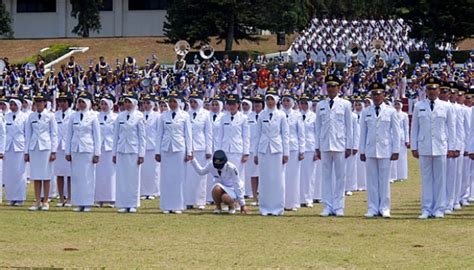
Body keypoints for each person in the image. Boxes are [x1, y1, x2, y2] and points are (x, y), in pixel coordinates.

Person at [411, 77, 456, 219]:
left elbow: (451, 128)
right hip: (424, 146)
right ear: (426, 90)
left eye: (434, 88)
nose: (432, 91)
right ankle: (426, 208)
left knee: (440, 179)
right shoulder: (419, 105)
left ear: (439, 90)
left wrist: (452, 147)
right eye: (429, 88)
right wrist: (414, 146)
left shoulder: (446, 106)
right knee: (426, 179)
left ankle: (439, 208)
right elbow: (414, 128)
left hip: (441, 146)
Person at [359, 82, 400, 218]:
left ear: (384, 94)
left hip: (385, 149)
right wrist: (362, 151)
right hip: (370, 149)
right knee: (371, 181)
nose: (376, 96)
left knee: (384, 180)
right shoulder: (366, 112)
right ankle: (372, 207)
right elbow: (363, 133)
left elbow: (396, 132)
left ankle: (384, 207)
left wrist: (396, 150)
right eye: (374, 94)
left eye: (378, 93)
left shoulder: (391, 111)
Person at [314, 75, 353, 217]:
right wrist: (317, 146)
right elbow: (317, 127)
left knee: (340, 176)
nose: (330, 89)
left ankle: (339, 206)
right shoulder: (320, 105)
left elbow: (349, 127)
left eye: (333, 86)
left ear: (339, 88)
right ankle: (327, 206)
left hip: (340, 143)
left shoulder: (345, 104)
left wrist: (349, 145)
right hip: (325, 144)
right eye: (328, 86)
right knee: (326, 176)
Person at [253, 89, 289, 216]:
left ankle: (278, 208)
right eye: (267, 99)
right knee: (265, 179)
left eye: (271, 99)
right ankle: (265, 207)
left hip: (277, 149)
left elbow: (285, 135)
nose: (269, 102)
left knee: (277, 179)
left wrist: (286, 153)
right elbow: (257, 135)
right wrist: (255, 153)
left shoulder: (281, 115)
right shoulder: (261, 115)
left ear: (276, 100)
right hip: (263, 149)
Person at [155, 90, 192, 214]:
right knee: (166, 178)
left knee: (179, 178)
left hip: (179, 149)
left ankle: (178, 205)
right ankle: (166, 205)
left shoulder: (185, 116)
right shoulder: (163, 116)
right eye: (170, 101)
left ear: (179, 102)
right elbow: (159, 134)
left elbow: (188, 135)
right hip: (166, 149)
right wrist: (157, 151)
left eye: (174, 101)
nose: (171, 104)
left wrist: (189, 151)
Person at [65, 91, 101, 212]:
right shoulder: (73, 116)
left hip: (87, 149)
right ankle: (78, 202)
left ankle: (87, 202)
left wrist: (97, 153)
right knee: (76, 177)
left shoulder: (93, 116)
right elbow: (69, 134)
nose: (81, 104)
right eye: (79, 101)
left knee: (87, 176)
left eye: (83, 102)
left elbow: (97, 136)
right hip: (76, 149)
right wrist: (67, 152)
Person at [112, 92, 146, 213]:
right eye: (125, 102)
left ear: (134, 103)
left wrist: (141, 154)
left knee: (133, 178)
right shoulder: (120, 116)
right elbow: (115, 136)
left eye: (129, 102)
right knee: (122, 178)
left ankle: (132, 204)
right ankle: (122, 203)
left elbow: (142, 137)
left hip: (133, 150)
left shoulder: (139, 116)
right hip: (121, 150)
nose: (127, 104)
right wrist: (114, 153)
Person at [215, 93, 250, 210]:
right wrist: (218, 151)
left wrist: (246, 152)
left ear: (238, 105)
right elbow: (220, 136)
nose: (231, 106)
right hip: (225, 150)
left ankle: (240, 202)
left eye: (233, 104)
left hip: (237, 150)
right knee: (226, 176)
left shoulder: (244, 118)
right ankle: (228, 201)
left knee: (238, 177)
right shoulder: (223, 117)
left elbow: (246, 136)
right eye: (229, 104)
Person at [25, 92, 58, 211]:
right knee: (36, 175)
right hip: (34, 148)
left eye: (41, 102)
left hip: (46, 147)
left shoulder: (50, 116)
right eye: (37, 102)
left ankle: (45, 201)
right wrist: (26, 151)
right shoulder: (31, 116)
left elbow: (54, 134)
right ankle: (37, 200)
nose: (38, 104)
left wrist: (53, 151)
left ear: (45, 103)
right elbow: (28, 134)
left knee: (46, 175)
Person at [190, 150, 250, 214]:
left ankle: (232, 206)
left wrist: (243, 205)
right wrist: (193, 160)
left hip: (232, 189)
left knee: (225, 197)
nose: (218, 168)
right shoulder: (211, 164)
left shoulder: (232, 168)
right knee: (216, 188)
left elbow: (237, 185)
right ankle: (218, 207)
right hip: (220, 188)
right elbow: (201, 172)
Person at [185, 90, 212, 209]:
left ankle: (200, 201)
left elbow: (208, 133)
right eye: (191, 102)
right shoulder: (186, 114)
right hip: (188, 148)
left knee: (201, 176)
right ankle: (189, 200)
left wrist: (208, 150)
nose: (192, 104)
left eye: (195, 102)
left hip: (201, 147)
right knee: (188, 176)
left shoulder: (206, 114)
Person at [281, 91, 305, 211]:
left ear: (292, 103)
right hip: (280, 149)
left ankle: (294, 202)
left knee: (293, 176)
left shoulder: (297, 115)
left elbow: (301, 134)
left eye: (288, 101)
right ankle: (282, 201)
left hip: (293, 148)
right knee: (281, 176)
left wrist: (302, 150)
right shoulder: (278, 114)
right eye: (284, 100)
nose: (286, 103)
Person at [3, 96, 27, 206]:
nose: (12, 107)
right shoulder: (6, 116)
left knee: (19, 173)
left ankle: (19, 198)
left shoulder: (24, 117)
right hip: (8, 147)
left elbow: (27, 134)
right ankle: (10, 197)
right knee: (9, 173)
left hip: (20, 146)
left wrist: (27, 151)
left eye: (14, 105)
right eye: (11, 105)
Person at [95, 93, 117, 207]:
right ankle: (100, 198)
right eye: (102, 104)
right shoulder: (96, 117)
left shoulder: (115, 117)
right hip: (99, 148)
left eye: (105, 104)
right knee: (99, 174)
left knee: (111, 174)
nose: (103, 106)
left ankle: (112, 198)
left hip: (110, 147)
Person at [54, 91, 74, 207]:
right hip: (58, 147)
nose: (62, 104)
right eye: (60, 101)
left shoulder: (73, 114)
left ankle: (70, 198)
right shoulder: (55, 115)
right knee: (59, 174)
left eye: (64, 101)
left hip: (69, 146)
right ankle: (61, 198)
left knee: (70, 174)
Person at [140, 93, 160, 200]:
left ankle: (154, 191)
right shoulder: (140, 115)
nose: (146, 105)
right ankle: (143, 191)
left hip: (153, 145)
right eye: (144, 103)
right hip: (142, 146)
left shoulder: (157, 116)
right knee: (143, 171)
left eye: (148, 103)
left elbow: (159, 132)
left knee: (154, 170)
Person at [298, 92, 317, 208]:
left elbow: (317, 133)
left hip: (310, 147)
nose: (304, 105)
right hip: (300, 148)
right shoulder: (297, 115)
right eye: (302, 103)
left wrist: (316, 150)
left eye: (306, 103)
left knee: (309, 175)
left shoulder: (314, 117)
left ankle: (309, 198)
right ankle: (299, 198)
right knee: (299, 175)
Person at [246, 94, 264, 206]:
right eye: (255, 103)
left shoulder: (266, 115)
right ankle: (254, 197)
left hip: (263, 148)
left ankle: (262, 196)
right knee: (253, 174)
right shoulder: (248, 116)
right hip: (252, 149)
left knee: (263, 174)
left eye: (258, 102)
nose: (256, 104)